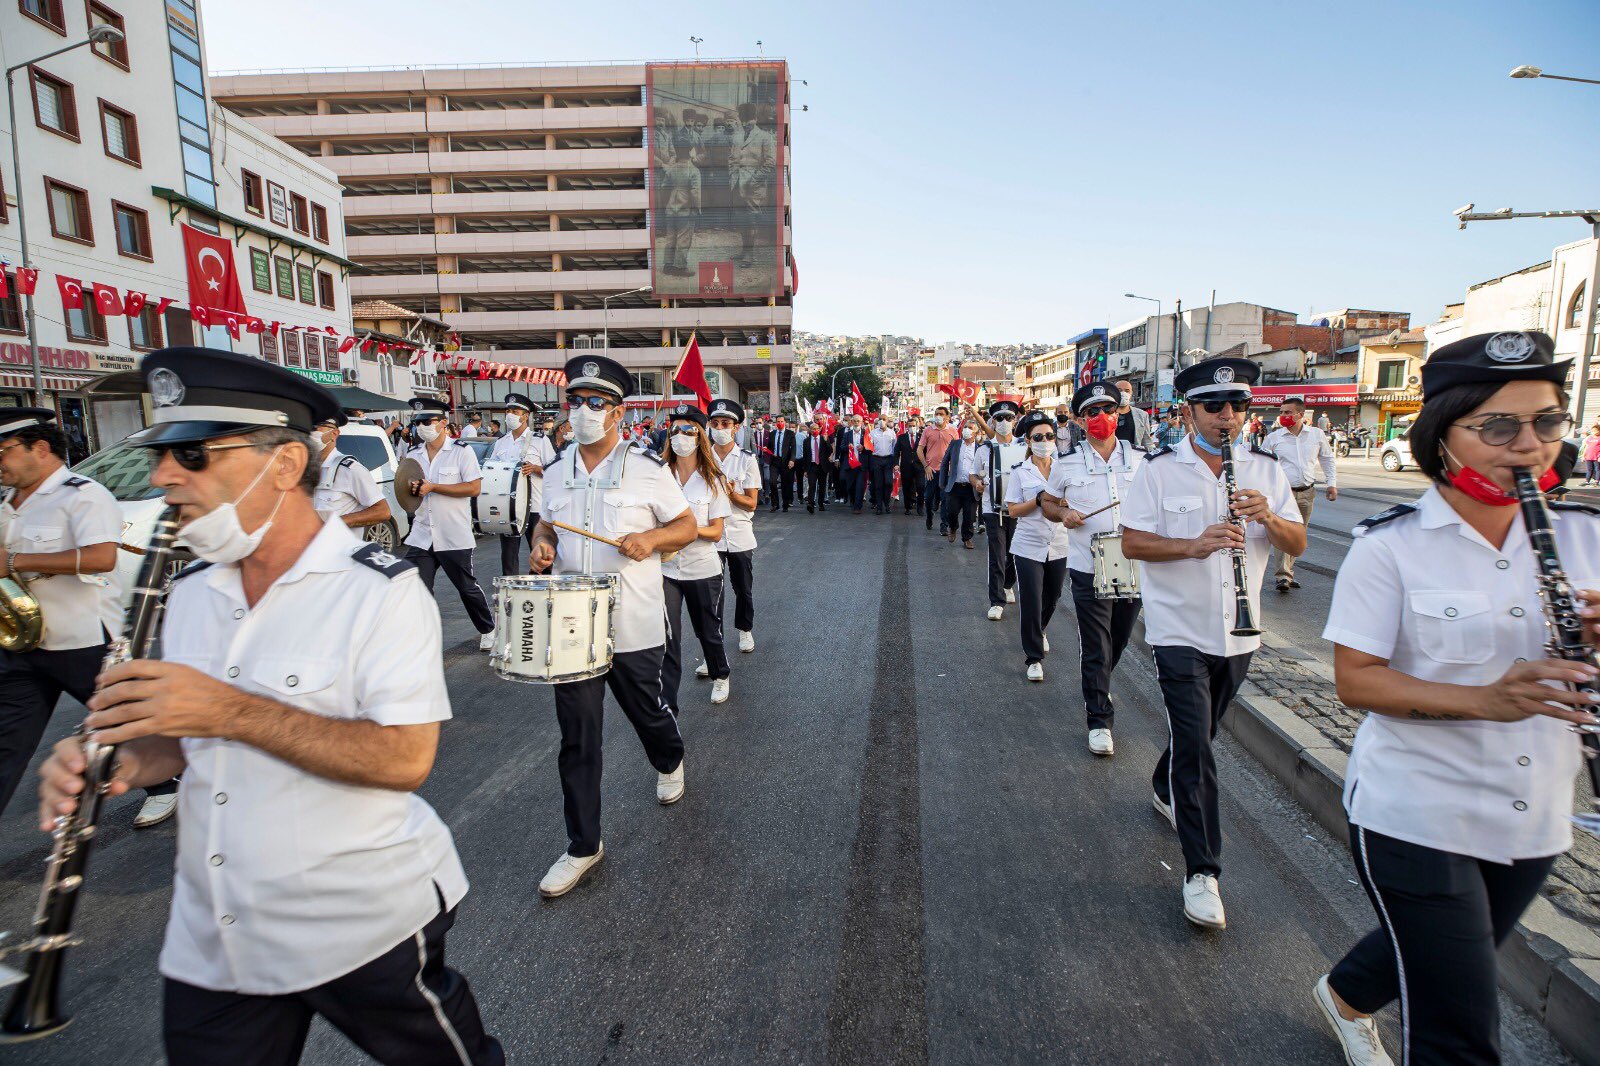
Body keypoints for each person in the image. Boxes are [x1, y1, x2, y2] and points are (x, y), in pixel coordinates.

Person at [37, 347, 501, 1064]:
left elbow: (405, 758)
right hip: (215, 934)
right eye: (163, 454)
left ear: (284, 464)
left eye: (191, 455)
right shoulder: (186, 590)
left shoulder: (376, 590)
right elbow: (183, 745)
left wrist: (230, 709)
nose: (163, 476)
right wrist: (116, 763)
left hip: (359, 923)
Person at [1313, 330, 1598, 1066]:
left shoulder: (1586, 537)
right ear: (1444, 436)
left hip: (1532, 814)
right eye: (1498, 427)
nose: (1529, 445)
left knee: (1451, 951)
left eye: (1546, 422)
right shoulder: (1392, 546)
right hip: (1417, 811)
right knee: (1460, 1033)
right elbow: (1357, 680)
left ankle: (1344, 994)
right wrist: (1485, 700)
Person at [1120, 356, 1305, 930]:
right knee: (1199, 749)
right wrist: (1192, 546)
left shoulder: (1267, 471)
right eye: (1214, 407)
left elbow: (1297, 538)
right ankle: (1203, 872)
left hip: (1238, 631)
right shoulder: (1158, 470)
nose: (1228, 417)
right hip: (1178, 628)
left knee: (1199, 734)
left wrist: (1268, 519)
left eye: (1237, 407)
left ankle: (1162, 781)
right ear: (1189, 412)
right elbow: (1131, 542)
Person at [528, 355, 697, 899]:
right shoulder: (555, 473)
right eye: (575, 402)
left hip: (633, 620)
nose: (583, 412)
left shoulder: (648, 469)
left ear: (618, 413)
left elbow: (687, 525)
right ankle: (583, 845)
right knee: (577, 736)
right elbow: (544, 522)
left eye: (595, 403)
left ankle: (669, 758)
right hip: (574, 624)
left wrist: (651, 540)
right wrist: (541, 544)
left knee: (648, 712)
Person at [0, 410, 136, 821]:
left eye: (3, 451)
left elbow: (101, 557)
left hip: (82, 638)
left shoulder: (82, 494)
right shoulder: (8, 503)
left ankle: (167, 782)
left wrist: (14, 561)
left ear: (40, 449)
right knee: (7, 741)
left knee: (123, 723)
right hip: (24, 640)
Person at [1048, 382, 1144, 755]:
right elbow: (1048, 502)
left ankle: (1099, 680)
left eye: (1107, 409)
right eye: (1092, 412)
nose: (1100, 417)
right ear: (1081, 420)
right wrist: (1063, 513)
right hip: (1089, 564)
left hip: (1130, 561)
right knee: (1096, 643)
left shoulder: (1141, 459)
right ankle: (1099, 718)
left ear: (1119, 414)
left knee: (1117, 638)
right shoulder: (1066, 462)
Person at [399, 398, 495, 652]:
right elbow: (408, 490)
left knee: (466, 587)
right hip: (422, 532)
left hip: (452, 533)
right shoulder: (413, 455)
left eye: (427, 421)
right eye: (417, 422)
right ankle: (424, 635)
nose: (421, 427)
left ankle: (488, 629)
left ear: (443, 423)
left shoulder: (461, 451)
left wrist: (434, 487)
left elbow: (474, 487)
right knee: (416, 587)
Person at [658, 403, 733, 708]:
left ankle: (720, 674)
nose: (680, 435)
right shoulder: (658, 476)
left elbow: (716, 532)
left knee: (707, 630)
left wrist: (686, 530)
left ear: (700, 436)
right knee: (666, 634)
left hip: (703, 568)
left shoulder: (712, 479)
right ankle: (665, 694)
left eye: (688, 429)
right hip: (666, 569)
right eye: (675, 429)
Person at [1003, 411, 1070, 681]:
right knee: (1031, 599)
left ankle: (1039, 629)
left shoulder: (1065, 468)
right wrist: (1039, 500)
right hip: (1028, 545)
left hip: (1059, 544)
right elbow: (1013, 510)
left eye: (1050, 436)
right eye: (1039, 437)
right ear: (1029, 442)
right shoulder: (1021, 472)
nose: (1045, 441)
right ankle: (1033, 657)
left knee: (1052, 597)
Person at [1261, 396, 1338, 592]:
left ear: (1300, 415)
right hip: (1283, 494)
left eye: (1288, 412)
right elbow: (1261, 465)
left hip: (1307, 492)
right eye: (1281, 412)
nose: (1283, 416)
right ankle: (1283, 575)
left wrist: (1332, 484)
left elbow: (1327, 460)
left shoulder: (1316, 435)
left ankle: (1288, 570)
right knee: (1283, 532)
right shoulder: (1273, 438)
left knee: (1299, 533)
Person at [707, 398, 760, 653]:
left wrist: (730, 494)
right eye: (715, 423)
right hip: (710, 536)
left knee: (743, 589)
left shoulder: (746, 460)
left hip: (739, 534)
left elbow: (751, 503)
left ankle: (745, 630)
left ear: (736, 427)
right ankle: (713, 644)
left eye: (725, 423)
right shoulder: (702, 458)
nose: (720, 428)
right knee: (712, 594)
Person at [488, 392, 556, 576]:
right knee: (508, 556)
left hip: (534, 505)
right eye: (508, 410)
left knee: (541, 552)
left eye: (515, 411)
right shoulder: (501, 443)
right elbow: (491, 472)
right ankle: (511, 594)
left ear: (525, 415)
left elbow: (555, 472)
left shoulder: (540, 441)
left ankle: (544, 588)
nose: (510, 414)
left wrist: (535, 468)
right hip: (508, 507)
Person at [973, 400, 1024, 618]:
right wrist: (976, 482)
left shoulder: (1024, 447)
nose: (1004, 422)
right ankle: (996, 601)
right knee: (997, 554)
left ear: (1015, 420)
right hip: (992, 508)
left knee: (1015, 552)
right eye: (999, 418)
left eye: (1009, 418)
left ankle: (1007, 583)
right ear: (992, 421)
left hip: (1018, 509)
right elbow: (974, 473)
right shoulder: (984, 449)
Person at [311, 413, 391, 533]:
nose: (311, 433)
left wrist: (335, 523)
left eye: (317, 428)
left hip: (340, 548)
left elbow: (382, 511)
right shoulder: (307, 469)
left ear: (334, 434)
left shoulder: (350, 469)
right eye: (309, 428)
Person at [938, 415, 982, 548]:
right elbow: (945, 463)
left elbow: (984, 468)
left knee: (969, 516)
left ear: (976, 432)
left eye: (970, 428)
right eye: (965, 427)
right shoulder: (955, 444)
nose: (966, 430)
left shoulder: (980, 448)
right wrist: (942, 482)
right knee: (951, 511)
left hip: (971, 487)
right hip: (955, 486)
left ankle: (967, 538)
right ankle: (952, 527)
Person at [918, 406, 958, 534]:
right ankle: (929, 516)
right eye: (936, 414)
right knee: (928, 498)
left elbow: (957, 451)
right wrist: (926, 466)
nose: (938, 416)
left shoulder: (953, 431)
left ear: (947, 416)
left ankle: (944, 524)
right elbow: (919, 449)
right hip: (931, 471)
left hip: (946, 472)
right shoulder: (928, 430)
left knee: (945, 498)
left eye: (941, 414)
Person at [798, 416, 832, 513]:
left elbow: (830, 451)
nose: (815, 430)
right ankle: (811, 504)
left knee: (822, 486)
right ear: (810, 430)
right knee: (811, 485)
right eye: (813, 429)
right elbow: (805, 456)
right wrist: (805, 470)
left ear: (819, 429)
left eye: (817, 429)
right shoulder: (806, 441)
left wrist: (826, 441)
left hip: (822, 466)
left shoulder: (823, 438)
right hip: (812, 466)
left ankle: (821, 503)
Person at [895, 415, 926, 515]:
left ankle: (920, 507)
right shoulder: (901, 438)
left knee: (921, 486)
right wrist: (896, 464)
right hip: (906, 466)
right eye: (910, 425)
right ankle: (907, 507)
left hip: (919, 466)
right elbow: (896, 452)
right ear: (907, 427)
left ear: (917, 426)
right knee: (907, 487)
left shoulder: (921, 437)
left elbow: (926, 451)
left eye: (913, 425)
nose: (912, 427)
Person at [868, 415, 898, 515]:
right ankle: (879, 507)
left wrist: (895, 463)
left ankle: (887, 503)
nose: (882, 421)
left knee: (889, 483)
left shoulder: (892, 433)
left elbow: (895, 448)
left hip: (888, 460)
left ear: (887, 421)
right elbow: (869, 446)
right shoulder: (873, 433)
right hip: (876, 459)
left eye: (884, 419)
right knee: (878, 484)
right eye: (880, 419)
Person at [839, 414, 869, 514]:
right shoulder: (847, 434)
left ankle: (858, 507)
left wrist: (864, 448)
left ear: (861, 422)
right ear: (851, 422)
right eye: (854, 421)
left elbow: (871, 449)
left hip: (861, 465)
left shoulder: (866, 434)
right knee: (850, 486)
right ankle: (852, 500)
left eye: (858, 421)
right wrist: (848, 447)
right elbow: (841, 447)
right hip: (850, 465)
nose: (856, 423)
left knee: (860, 486)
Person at [1113, 380, 1154, 450]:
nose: (1123, 393)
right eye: (1119, 390)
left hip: (1133, 456)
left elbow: (1147, 441)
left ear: (1131, 393)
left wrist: (1152, 456)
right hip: (1111, 457)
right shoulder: (1106, 413)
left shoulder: (1142, 415)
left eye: (1127, 391)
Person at [771, 415, 798, 512]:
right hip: (774, 461)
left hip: (785, 461)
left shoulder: (790, 434)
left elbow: (794, 448)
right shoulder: (772, 433)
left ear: (785, 422)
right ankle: (775, 504)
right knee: (772, 482)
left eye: (781, 421)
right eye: (778, 421)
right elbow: (770, 447)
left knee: (785, 484)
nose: (780, 423)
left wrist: (792, 460)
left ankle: (785, 504)